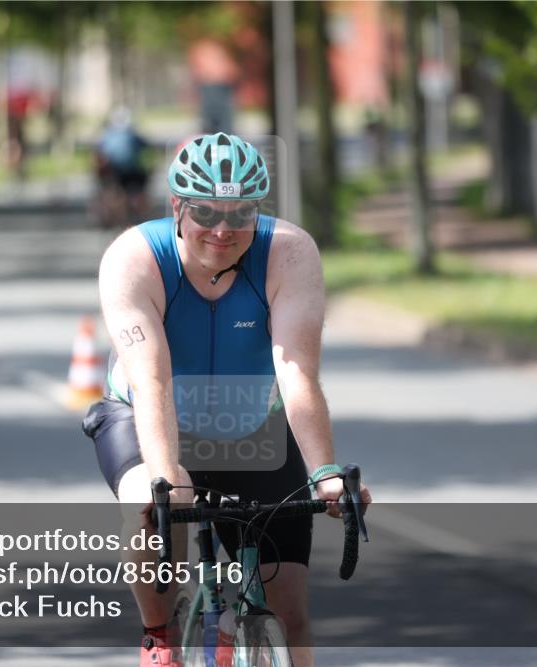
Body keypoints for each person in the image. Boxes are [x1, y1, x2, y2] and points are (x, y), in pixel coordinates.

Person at [83, 132, 371, 667]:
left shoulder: (288, 252)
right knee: (148, 504)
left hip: (253, 425)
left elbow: (296, 372)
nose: (223, 228)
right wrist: (166, 478)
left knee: (289, 611)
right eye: (206, 212)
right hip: (147, 415)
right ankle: (158, 639)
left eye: (240, 213)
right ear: (176, 206)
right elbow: (152, 382)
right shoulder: (134, 258)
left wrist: (325, 471)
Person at [94, 107, 149, 227]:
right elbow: (145, 146)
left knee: (114, 194)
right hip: (132, 171)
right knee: (138, 192)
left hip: (113, 171)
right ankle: (141, 216)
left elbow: (98, 151)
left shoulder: (106, 134)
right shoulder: (132, 134)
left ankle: (118, 218)